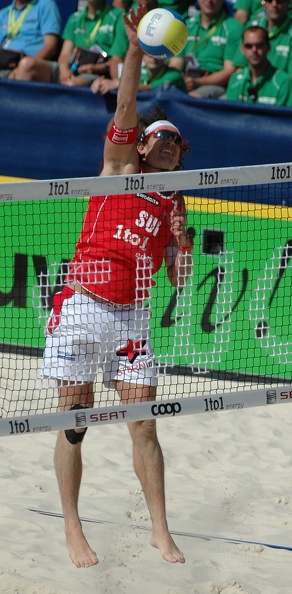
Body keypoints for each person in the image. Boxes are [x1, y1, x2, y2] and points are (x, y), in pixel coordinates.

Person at [42, 4, 193, 569]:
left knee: (145, 425)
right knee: (74, 426)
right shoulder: (119, 168)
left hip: (132, 316)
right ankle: (74, 529)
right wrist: (134, 51)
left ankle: (160, 530)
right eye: (163, 138)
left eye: (178, 141)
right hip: (82, 304)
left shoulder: (176, 203)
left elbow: (177, 282)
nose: (171, 144)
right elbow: (127, 104)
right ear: (142, 146)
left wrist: (180, 244)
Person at [12, 0, 129, 86]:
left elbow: (116, 60)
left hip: (95, 73)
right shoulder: (74, 18)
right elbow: (65, 54)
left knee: (71, 83)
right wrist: (63, 69)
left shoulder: (118, 16)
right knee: (27, 65)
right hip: (68, 68)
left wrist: (96, 68)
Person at [169, 0, 244, 98]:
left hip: (215, 84)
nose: (209, 1)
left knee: (192, 97)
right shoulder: (186, 25)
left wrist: (199, 82)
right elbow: (176, 64)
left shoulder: (234, 27)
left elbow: (230, 71)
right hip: (187, 80)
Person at [226, 25, 292, 105]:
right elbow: (230, 116)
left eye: (259, 45)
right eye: (248, 46)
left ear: (268, 47)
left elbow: (284, 116)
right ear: (242, 49)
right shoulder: (235, 80)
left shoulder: (283, 82)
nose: (254, 50)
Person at [0, 0, 62, 79]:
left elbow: (51, 47)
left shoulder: (46, 5)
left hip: (32, 65)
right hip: (6, 63)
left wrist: (22, 67)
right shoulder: (3, 14)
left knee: (25, 67)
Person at [233, 0, 292, 75]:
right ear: (262, 2)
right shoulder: (252, 26)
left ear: (288, 3)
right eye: (269, 0)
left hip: (282, 85)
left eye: (279, 1)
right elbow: (240, 67)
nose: (274, 4)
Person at [91, 50, 187, 93]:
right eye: (149, 54)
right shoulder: (140, 70)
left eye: (158, 55)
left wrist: (118, 84)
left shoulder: (174, 74)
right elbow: (118, 81)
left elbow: (149, 88)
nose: (153, 59)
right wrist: (100, 82)